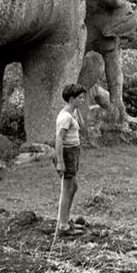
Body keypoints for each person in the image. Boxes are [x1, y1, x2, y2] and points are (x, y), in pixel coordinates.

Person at [54, 83, 88, 237]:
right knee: (67, 189)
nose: (83, 100)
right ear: (72, 98)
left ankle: (66, 220)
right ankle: (62, 226)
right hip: (67, 153)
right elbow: (59, 140)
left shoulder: (72, 113)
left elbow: (82, 126)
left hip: (73, 152)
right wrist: (60, 161)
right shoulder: (65, 117)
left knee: (73, 187)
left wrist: (77, 111)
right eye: (80, 98)